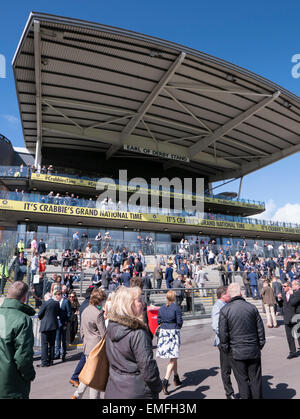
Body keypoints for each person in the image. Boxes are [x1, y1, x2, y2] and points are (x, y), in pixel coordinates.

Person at [105, 286, 161, 399]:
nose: (143, 304)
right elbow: (147, 368)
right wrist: (158, 386)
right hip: (137, 391)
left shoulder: (111, 326)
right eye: (140, 300)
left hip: (114, 389)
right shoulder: (137, 332)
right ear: (129, 304)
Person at [219, 283, 265, 399]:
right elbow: (260, 330)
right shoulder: (251, 307)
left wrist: (226, 349)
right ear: (240, 293)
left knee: (242, 381)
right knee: (255, 379)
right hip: (252, 349)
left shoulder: (225, 310)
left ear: (229, 294)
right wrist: (260, 345)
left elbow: (223, 335)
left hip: (236, 351)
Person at [0, 282, 36, 399]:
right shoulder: (22, 319)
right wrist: (30, 374)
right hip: (11, 385)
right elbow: (23, 357)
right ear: (24, 298)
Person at [72, 288, 106, 399]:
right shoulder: (98, 313)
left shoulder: (85, 310)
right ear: (99, 300)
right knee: (95, 376)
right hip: (97, 347)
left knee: (89, 372)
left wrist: (86, 340)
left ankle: (78, 394)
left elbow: (81, 330)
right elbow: (103, 333)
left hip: (87, 346)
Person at [156, 290, 183, 395]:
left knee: (173, 356)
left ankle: (176, 378)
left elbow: (158, 321)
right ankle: (165, 380)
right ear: (174, 298)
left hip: (164, 332)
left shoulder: (162, 307)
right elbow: (179, 321)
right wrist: (177, 327)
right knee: (173, 357)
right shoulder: (176, 308)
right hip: (173, 332)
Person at [211, 285, 236, 399]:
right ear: (223, 295)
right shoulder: (218, 306)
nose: (230, 295)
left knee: (236, 366)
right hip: (224, 342)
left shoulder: (227, 305)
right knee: (226, 369)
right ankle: (229, 393)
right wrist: (228, 336)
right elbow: (216, 326)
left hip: (232, 341)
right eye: (228, 293)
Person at [69, 286, 94, 387]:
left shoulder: (84, 304)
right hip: (90, 334)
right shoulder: (88, 305)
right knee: (85, 357)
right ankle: (75, 377)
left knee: (86, 357)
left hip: (86, 333)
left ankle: (77, 377)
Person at [277, 280, 300, 359]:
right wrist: (279, 299)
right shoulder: (283, 294)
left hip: (295, 317)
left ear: (289, 287)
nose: (283, 288)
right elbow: (280, 306)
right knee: (289, 337)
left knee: (298, 335)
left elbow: (294, 303)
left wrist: (292, 294)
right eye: (283, 286)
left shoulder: (295, 293)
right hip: (287, 318)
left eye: (285, 286)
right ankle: (292, 352)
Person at [37, 292, 60, 367]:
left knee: (44, 344)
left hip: (45, 326)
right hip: (53, 325)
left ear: (46, 297)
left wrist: (41, 317)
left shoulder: (45, 303)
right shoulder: (56, 303)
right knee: (52, 344)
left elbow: (40, 314)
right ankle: (51, 360)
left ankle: (44, 362)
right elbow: (57, 313)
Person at [54, 290, 72, 362]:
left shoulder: (65, 301)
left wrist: (66, 322)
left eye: (57, 296)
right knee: (57, 338)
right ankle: (57, 353)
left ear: (60, 295)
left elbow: (69, 312)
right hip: (57, 323)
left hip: (63, 322)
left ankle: (63, 354)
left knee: (63, 339)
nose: (56, 298)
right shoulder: (56, 302)